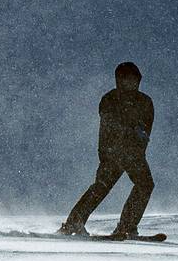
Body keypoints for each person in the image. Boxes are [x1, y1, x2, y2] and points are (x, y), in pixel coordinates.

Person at [60, 62, 155, 239]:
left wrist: (139, 147)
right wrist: (129, 133)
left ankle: (126, 226)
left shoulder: (145, 101)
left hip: (133, 154)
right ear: (119, 80)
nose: (131, 83)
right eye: (127, 80)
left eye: (134, 80)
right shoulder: (109, 99)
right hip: (112, 152)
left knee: (144, 185)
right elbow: (109, 125)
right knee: (102, 187)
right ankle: (75, 222)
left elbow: (146, 130)